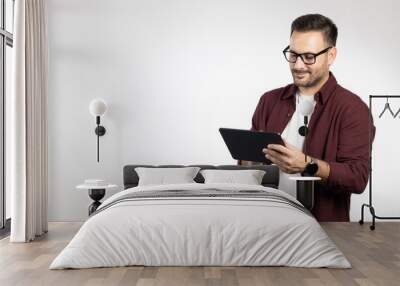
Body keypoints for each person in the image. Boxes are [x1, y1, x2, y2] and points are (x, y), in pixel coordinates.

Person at [248, 14, 375, 221]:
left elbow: (357, 178)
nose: (298, 65)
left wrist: (308, 164)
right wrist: (247, 156)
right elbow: (248, 165)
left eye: (309, 57)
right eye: (293, 54)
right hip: (265, 223)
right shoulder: (269, 101)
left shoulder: (353, 109)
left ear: (331, 55)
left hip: (321, 230)